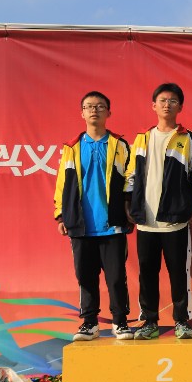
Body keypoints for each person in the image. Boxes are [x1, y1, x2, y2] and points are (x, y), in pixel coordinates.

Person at [125, 83, 192, 340]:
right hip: (146, 221)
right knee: (147, 274)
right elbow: (130, 175)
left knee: (178, 273)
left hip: (175, 220)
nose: (167, 105)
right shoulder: (142, 138)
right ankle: (149, 322)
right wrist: (129, 204)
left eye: (172, 101)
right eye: (162, 100)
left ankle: (181, 321)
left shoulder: (188, 139)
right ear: (154, 106)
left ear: (180, 107)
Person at [54, 91, 133, 341]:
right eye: (89, 106)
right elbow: (62, 184)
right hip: (81, 225)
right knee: (85, 277)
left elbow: (131, 180)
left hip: (113, 224)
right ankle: (89, 323)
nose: (94, 110)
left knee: (116, 277)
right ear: (82, 113)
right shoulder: (71, 148)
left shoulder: (120, 145)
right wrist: (60, 215)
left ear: (109, 112)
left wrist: (130, 209)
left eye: (100, 106)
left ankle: (120, 322)